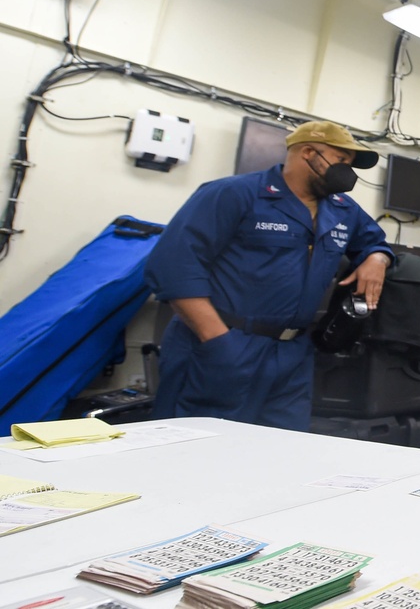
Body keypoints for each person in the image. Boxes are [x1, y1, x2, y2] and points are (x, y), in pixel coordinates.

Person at [145, 120, 393, 431]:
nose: (348, 171)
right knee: (196, 446)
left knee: (280, 451)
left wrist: (377, 258)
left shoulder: (343, 209)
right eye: (341, 160)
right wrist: (217, 341)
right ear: (307, 153)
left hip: (292, 355)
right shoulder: (233, 194)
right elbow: (173, 266)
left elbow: (374, 241)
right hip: (225, 343)